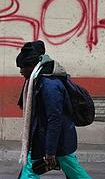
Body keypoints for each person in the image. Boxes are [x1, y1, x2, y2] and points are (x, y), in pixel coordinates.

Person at [16, 40, 91, 179]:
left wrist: (50, 151)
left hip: (58, 142)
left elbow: (55, 119)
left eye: (23, 67)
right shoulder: (38, 81)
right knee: (30, 171)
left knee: (76, 174)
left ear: (33, 65)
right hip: (45, 140)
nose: (21, 71)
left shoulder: (49, 85)